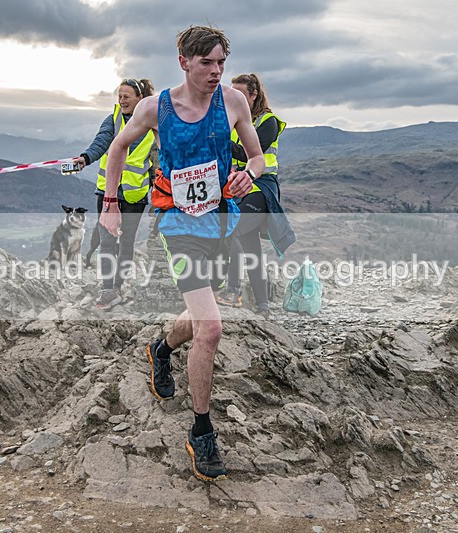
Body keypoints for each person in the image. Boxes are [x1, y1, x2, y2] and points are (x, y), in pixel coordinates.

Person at [100, 25, 264, 481]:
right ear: (184, 62)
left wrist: (248, 174)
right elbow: (117, 148)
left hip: (219, 220)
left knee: (198, 312)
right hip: (176, 223)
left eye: (221, 64)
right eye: (207, 63)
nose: (216, 73)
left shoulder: (233, 102)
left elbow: (257, 157)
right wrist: (111, 204)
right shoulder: (157, 108)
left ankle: (160, 348)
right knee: (211, 328)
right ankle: (201, 430)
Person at [215, 73, 295, 316]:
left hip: (262, 189)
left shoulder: (268, 121)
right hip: (241, 189)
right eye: (232, 92)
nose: (234, 98)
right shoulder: (236, 120)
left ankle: (233, 290)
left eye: (240, 93)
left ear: (254, 94)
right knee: (251, 249)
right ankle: (263, 306)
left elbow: (248, 153)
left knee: (233, 231)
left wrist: (217, 138)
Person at [73, 78, 155, 309]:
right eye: (119, 96)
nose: (122, 100)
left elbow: (159, 162)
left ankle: (117, 286)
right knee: (108, 242)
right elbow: (101, 142)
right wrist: (85, 158)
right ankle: (107, 290)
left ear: (140, 98)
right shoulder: (113, 120)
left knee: (125, 243)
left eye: (126, 96)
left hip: (134, 196)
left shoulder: (152, 124)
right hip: (107, 192)